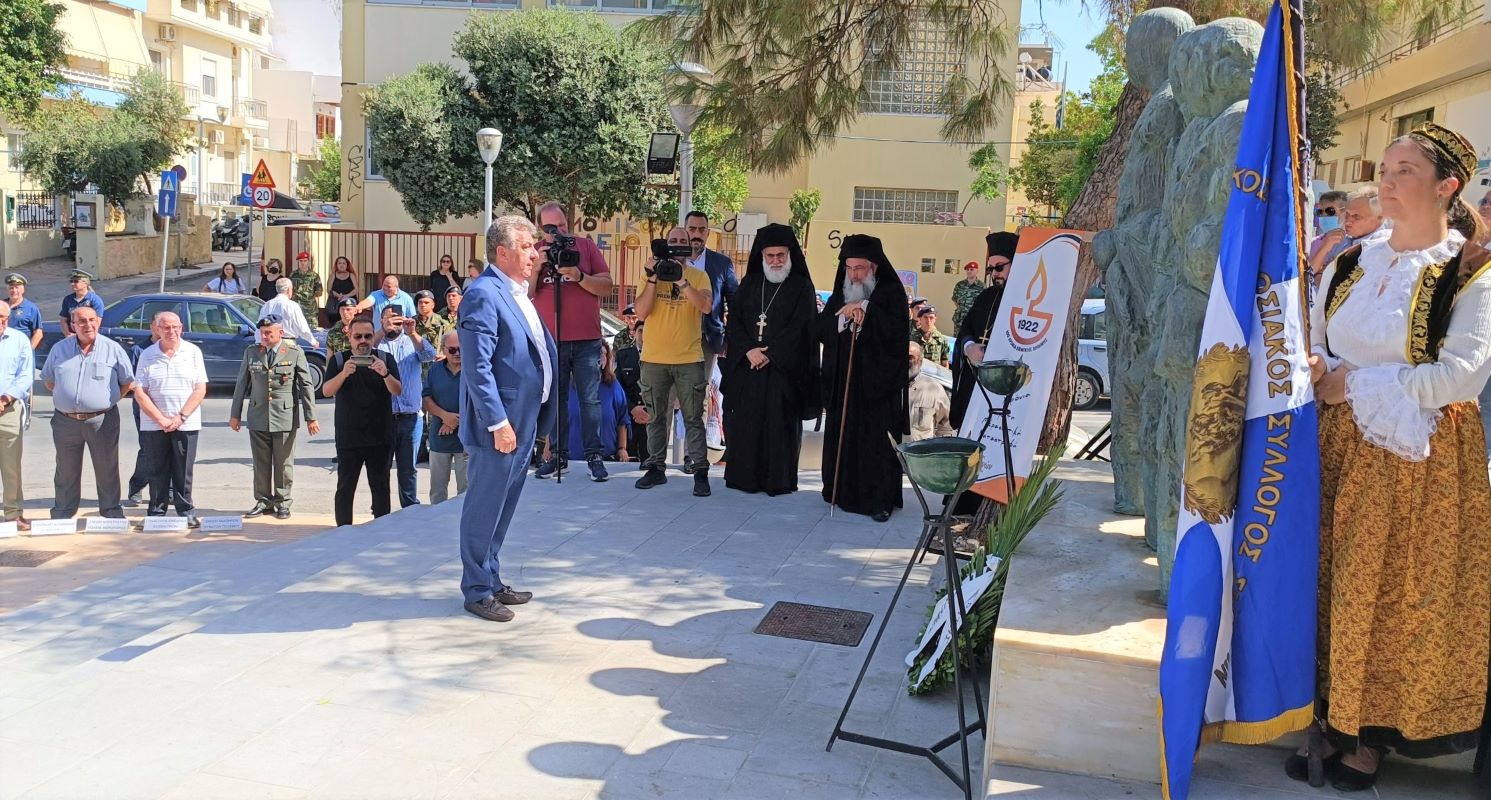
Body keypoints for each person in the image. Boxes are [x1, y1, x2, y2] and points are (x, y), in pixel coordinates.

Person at [1295, 122, 1491, 791]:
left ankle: (1370, 735)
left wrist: (1354, 384)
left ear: (1446, 187)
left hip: (1418, 454)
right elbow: (1322, 338)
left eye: (1404, 171)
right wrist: (1317, 366)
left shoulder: (1470, 272)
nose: (1386, 181)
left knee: (1392, 591)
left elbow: (1460, 376)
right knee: (1330, 581)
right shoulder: (1352, 262)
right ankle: (1329, 720)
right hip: (1339, 443)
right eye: (1384, 169)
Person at [456, 215, 557, 623]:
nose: (535, 253)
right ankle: (476, 591)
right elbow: (477, 367)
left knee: (504, 506)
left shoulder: (516, 293)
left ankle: (491, 578)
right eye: (526, 246)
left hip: (524, 418)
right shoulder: (484, 294)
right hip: (499, 425)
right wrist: (498, 422)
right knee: (484, 507)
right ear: (502, 252)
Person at [721, 223, 819, 496]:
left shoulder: (801, 287)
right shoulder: (750, 284)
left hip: (783, 373)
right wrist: (749, 350)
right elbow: (735, 322)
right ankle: (745, 478)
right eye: (770, 256)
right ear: (762, 256)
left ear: (790, 255)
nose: (775, 261)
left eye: (780, 256)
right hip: (749, 369)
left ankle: (778, 480)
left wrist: (770, 353)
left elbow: (802, 327)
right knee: (748, 424)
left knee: (779, 426)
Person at [817, 234, 909, 521]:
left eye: (860, 268)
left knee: (876, 445)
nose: (854, 275)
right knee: (844, 440)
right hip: (844, 383)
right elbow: (822, 329)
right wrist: (844, 318)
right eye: (849, 268)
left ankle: (879, 501)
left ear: (874, 266)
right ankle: (839, 492)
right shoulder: (842, 292)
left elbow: (896, 335)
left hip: (877, 388)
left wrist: (867, 311)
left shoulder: (891, 293)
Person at [530, 202, 615, 482]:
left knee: (590, 400)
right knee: (556, 400)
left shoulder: (586, 247)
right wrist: (537, 268)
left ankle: (594, 456)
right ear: (541, 228)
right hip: (551, 340)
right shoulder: (535, 252)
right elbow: (523, 295)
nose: (558, 232)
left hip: (587, 340)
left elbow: (606, 285)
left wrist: (579, 276)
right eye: (551, 228)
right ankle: (557, 456)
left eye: (562, 225)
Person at [634, 226, 714, 496]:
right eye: (673, 240)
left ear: (689, 245)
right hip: (654, 358)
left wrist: (681, 280)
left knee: (693, 417)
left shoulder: (699, 275)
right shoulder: (650, 273)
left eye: (682, 240)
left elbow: (705, 306)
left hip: (688, 358)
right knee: (656, 417)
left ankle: (700, 471)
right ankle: (656, 467)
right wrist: (652, 278)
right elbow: (641, 312)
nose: (677, 244)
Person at [42, 306, 134, 519]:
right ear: (73, 325)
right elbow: (49, 381)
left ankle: (111, 511)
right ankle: (63, 512)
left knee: (106, 467)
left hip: (102, 419)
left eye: (92, 320)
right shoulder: (60, 349)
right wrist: (68, 399)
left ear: (98, 321)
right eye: (82, 321)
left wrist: (108, 401)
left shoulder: (113, 349)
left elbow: (127, 382)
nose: (88, 325)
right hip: (65, 421)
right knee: (65, 469)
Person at [229, 315, 320, 519]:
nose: (265, 336)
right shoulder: (252, 352)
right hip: (258, 415)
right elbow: (241, 384)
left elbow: (306, 386)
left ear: (281, 332)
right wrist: (235, 415)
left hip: (284, 415)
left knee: (283, 463)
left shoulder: (294, 352)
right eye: (262, 333)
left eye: (269, 333)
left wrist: (311, 417)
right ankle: (263, 501)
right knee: (260, 463)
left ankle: (283, 502)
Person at [131, 312, 207, 525]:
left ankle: (186, 510)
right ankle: (156, 513)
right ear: (157, 329)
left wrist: (180, 417)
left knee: (184, 470)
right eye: (166, 327)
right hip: (154, 424)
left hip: (186, 423)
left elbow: (200, 389)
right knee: (156, 470)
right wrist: (161, 419)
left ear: (181, 328)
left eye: (175, 327)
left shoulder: (193, 352)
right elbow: (140, 392)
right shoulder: (147, 354)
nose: (171, 331)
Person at [322, 316, 400, 526]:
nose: (363, 341)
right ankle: (343, 531)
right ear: (349, 337)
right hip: (349, 436)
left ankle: (381, 529)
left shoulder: (384, 358)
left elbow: (397, 390)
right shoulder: (339, 360)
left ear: (373, 337)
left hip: (380, 436)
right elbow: (326, 391)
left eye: (367, 336)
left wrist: (385, 373)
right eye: (358, 336)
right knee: (345, 488)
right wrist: (343, 374)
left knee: (381, 487)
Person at [951, 232, 1018, 430]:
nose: (994, 274)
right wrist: (969, 347)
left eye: (999, 267)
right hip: (975, 384)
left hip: (1007, 387)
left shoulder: (1027, 300)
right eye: (991, 268)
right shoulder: (986, 297)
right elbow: (966, 330)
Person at [374, 304, 435, 507]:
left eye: (397, 318)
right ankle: (381, 509)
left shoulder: (411, 341)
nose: (394, 322)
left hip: (410, 416)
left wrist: (413, 333)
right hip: (383, 416)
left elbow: (430, 355)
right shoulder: (377, 343)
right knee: (381, 467)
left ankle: (409, 507)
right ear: (381, 320)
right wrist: (383, 331)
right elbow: (363, 352)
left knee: (408, 468)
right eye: (389, 318)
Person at [684, 210, 739, 379]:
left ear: (708, 233)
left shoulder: (722, 263)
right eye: (692, 229)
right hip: (676, 335)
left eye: (702, 230)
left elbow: (735, 303)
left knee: (701, 388)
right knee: (673, 390)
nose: (697, 234)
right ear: (685, 231)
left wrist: (728, 338)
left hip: (707, 338)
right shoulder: (673, 262)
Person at [555, 340, 629, 462]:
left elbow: (622, 421)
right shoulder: (566, 385)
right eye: (598, 353)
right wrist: (548, 448)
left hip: (605, 458)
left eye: (604, 354)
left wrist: (622, 448)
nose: (601, 357)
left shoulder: (613, 386)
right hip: (571, 458)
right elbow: (555, 419)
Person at [1308, 186, 1386, 288]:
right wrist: (1324, 248)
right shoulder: (1340, 239)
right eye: (1347, 214)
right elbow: (1309, 274)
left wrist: (1324, 277)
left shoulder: (1382, 248)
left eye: (1356, 216)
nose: (1348, 221)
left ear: (1379, 217)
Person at [0, 301, 34, 530]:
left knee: (11, 465)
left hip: (9, 409)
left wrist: (5, 399)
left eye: (4, 318)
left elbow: (25, 375)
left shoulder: (19, 339)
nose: (1, 323)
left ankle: (13, 514)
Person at [423, 331, 467, 504]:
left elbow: (480, 401)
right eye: (452, 350)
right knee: (437, 492)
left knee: (466, 492)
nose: (457, 353)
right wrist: (445, 416)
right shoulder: (435, 370)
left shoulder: (474, 370)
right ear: (443, 349)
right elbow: (426, 398)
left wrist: (454, 421)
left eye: (461, 349)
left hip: (466, 440)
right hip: (439, 438)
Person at [614, 320, 648, 464]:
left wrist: (648, 411)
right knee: (629, 460)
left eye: (647, 331)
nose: (643, 335)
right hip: (629, 417)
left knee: (650, 460)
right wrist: (632, 408)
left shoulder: (659, 356)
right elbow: (618, 387)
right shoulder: (623, 355)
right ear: (634, 333)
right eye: (640, 331)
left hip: (649, 417)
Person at [907, 341, 953, 441]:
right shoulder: (884, 387)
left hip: (919, 450)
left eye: (910, 358)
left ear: (920, 362)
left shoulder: (934, 389)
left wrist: (939, 448)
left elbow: (947, 428)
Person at [258, 278, 318, 349]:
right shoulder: (292, 305)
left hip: (269, 343)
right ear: (289, 289)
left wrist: (259, 342)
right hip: (287, 344)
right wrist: (313, 341)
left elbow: (260, 326)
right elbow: (302, 327)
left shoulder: (267, 305)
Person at [1306, 190, 1349, 264]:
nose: (1324, 215)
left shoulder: (1352, 244)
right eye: (1320, 212)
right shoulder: (1311, 243)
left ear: (1345, 213)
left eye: (1330, 211)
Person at [58, 270, 104, 336]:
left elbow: (96, 323)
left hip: (87, 336)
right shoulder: (68, 299)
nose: (72, 284)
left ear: (85, 283)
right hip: (71, 336)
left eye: (76, 281)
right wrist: (68, 334)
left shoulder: (95, 300)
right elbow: (63, 320)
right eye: (71, 281)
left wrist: (83, 337)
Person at [5, 275, 43, 350]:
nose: (14, 291)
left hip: (21, 349)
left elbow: (38, 333)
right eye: (11, 288)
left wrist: (28, 351)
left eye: (17, 287)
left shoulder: (31, 308)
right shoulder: (2, 305)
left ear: (23, 290)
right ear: (7, 290)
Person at [412, 289, 451, 354]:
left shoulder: (442, 323)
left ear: (433, 305)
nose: (423, 305)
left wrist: (444, 355)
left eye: (426, 303)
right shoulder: (412, 323)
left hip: (437, 358)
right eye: (420, 302)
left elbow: (451, 344)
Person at [290, 252, 323, 327]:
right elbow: (289, 290)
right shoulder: (293, 275)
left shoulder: (314, 276)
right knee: (296, 329)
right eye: (301, 261)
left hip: (310, 310)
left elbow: (319, 292)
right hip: (296, 307)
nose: (303, 263)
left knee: (312, 330)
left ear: (308, 261)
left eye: (305, 261)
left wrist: (308, 295)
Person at [324, 256, 357, 328]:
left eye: (344, 263)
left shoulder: (351, 275)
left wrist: (345, 296)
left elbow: (356, 289)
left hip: (348, 302)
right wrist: (339, 296)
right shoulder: (332, 275)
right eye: (339, 263)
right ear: (336, 265)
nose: (341, 265)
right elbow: (329, 289)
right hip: (335, 304)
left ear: (347, 265)